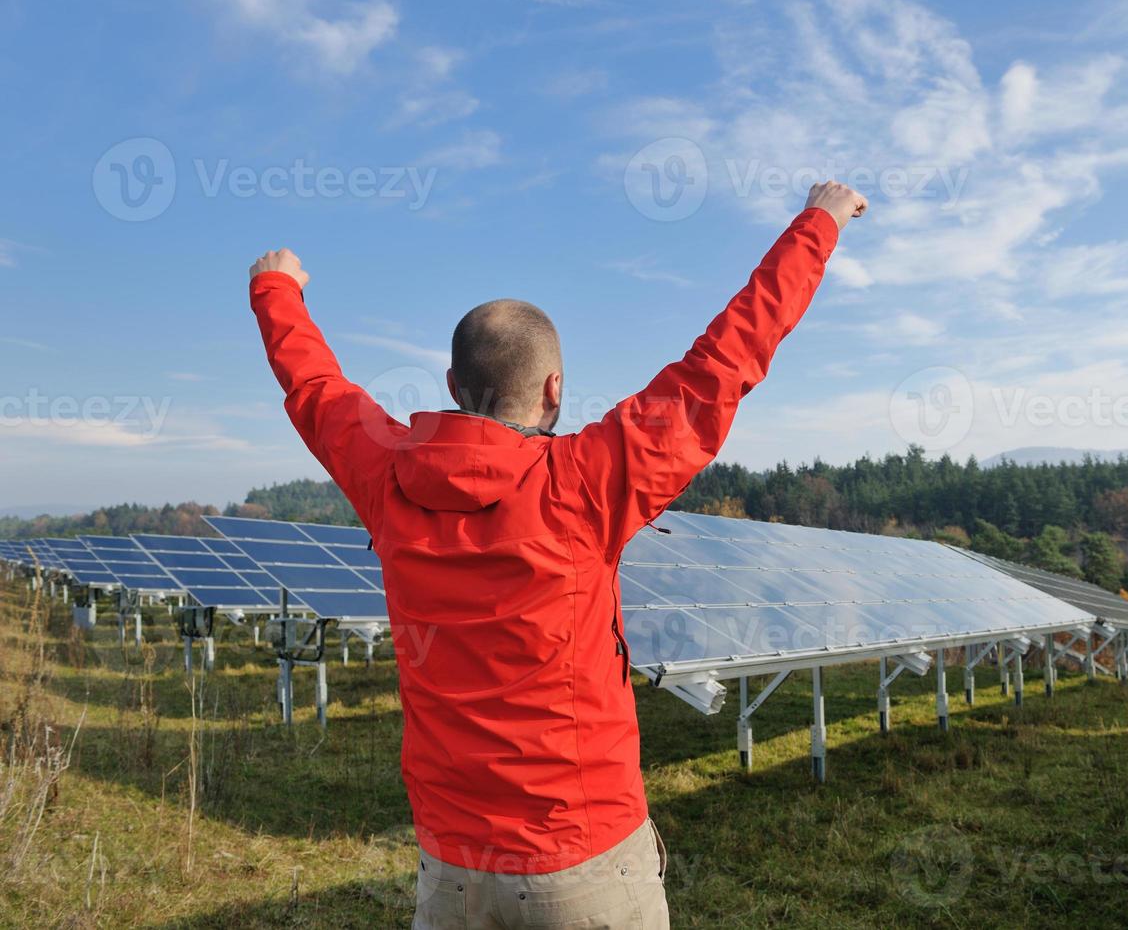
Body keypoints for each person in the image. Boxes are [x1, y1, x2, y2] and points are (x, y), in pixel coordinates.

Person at [246, 181, 868, 929]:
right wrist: (818, 224)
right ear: (554, 390)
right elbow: (725, 360)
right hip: (585, 859)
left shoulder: (387, 475)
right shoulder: (587, 481)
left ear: (451, 386)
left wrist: (276, 290)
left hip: (452, 870)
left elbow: (317, 389)